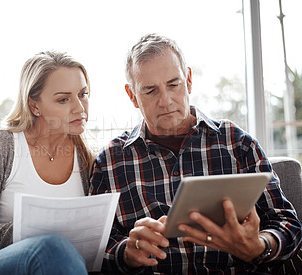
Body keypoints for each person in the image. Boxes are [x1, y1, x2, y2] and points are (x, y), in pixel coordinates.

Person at [89, 34, 302, 274]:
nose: (166, 100)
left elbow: (288, 225)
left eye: (173, 84)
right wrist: (126, 253)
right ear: (132, 96)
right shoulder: (111, 161)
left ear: (188, 80)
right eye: (150, 91)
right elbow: (94, 250)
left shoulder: (237, 143)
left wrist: (259, 246)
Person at [0, 51, 95, 275]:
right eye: (63, 99)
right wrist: (34, 228)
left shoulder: (89, 158)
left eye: (83, 94)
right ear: (34, 106)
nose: (80, 108)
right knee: (52, 247)